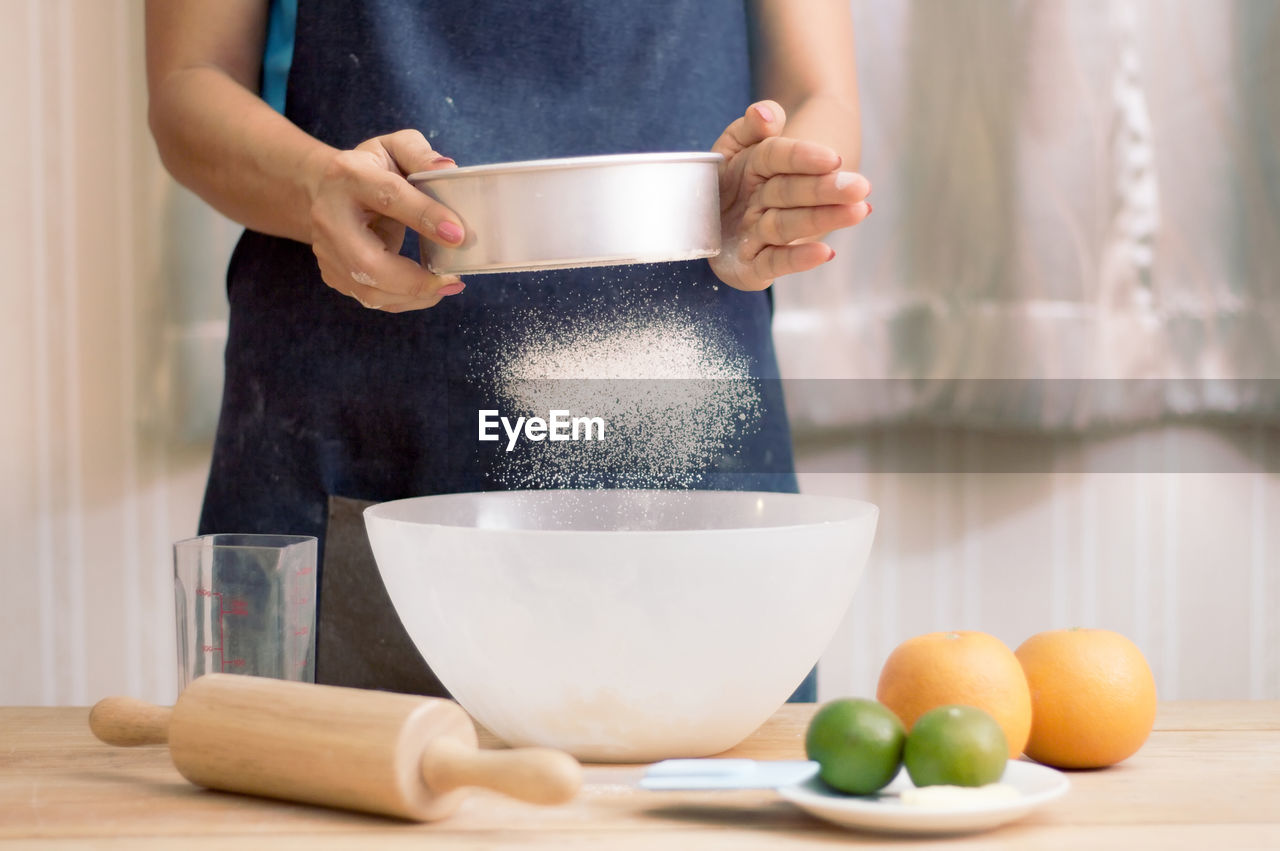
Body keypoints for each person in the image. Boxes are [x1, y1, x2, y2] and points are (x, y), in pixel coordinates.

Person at [146, 0, 869, 701]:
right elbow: (189, 84)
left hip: (686, 431)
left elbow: (820, 93)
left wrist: (786, 188)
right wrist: (318, 186)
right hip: (356, 434)